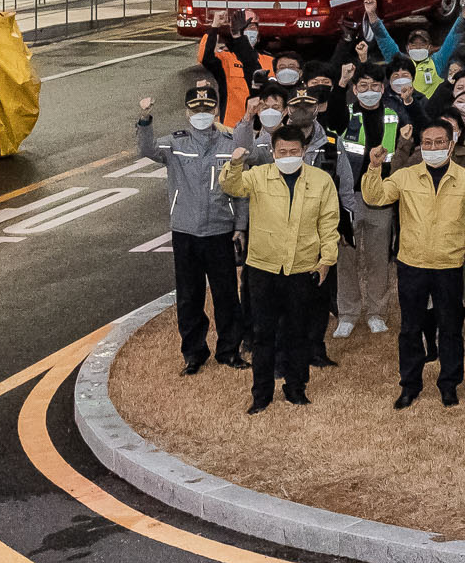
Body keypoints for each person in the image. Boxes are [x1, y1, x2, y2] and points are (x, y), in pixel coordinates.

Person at [360, 118, 465, 407]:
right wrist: (374, 167)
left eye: (439, 142)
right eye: (427, 143)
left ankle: (449, 384)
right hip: (412, 263)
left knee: (451, 328)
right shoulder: (405, 176)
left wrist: (456, 240)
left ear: (451, 146)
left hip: (449, 264)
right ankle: (410, 385)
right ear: (420, 146)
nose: (433, 147)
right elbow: (375, 196)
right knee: (410, 328)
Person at [219, 123, 340, 413]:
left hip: (302, 269)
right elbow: (231, 186)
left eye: (293, 151)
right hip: (263, 269)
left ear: (304, 151)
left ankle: (296, 388)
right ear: (273, 152)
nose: (288, 155)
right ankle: (261, 395)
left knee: (298, 332)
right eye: (282, 151)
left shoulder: (321, 181)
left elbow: (329, 222)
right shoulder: (258, 176)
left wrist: (327, 260)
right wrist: (234, 165)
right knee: (263, 334)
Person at [135, 83, 246, 374]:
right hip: (185, 231)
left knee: (226, 295)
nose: (202, 114)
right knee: (189, 296)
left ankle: (229, 350)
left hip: (220, 230)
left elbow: (241, 189)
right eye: (196, 110)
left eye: (207, 109)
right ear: (187, 113)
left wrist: (241, 224)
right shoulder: (175, 143)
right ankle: (194, 354)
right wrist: (146, 118)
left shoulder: (229, 142)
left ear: (217, 110)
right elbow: (146, 148)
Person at [330, 68, 399, 338]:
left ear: (383, 89)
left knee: (378, 258)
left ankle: (376, 312)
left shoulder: (393, 115)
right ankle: (347, 313)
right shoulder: (344, 112)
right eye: (363, 86)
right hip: (349, 196)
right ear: (355, 89)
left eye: (374, 85)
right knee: (345, 256)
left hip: (381, 196)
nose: (369, 90)